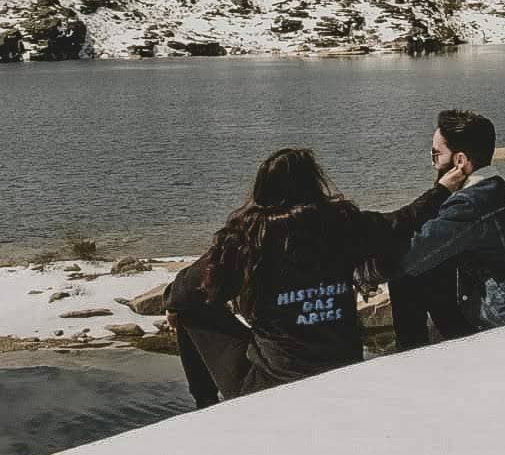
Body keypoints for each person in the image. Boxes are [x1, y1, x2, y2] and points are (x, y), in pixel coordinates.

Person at [165, 146, 467, 407]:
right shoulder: (342, 225)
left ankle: (205, 406)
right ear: (314, 183)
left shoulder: (249, 238)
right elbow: (403, 220)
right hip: (342, 368)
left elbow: (184, 292)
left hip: (270, 384)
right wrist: (442, 189)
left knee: (186, 307)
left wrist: (172, 303)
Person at [388, 110, 505, 349]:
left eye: (436, 155)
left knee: (403, 273)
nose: (433, 163)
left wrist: (367, 271)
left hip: (501, 322)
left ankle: (411, 359)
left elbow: (410, 258)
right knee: (433, 259)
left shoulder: (468, 204)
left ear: (460, 161)